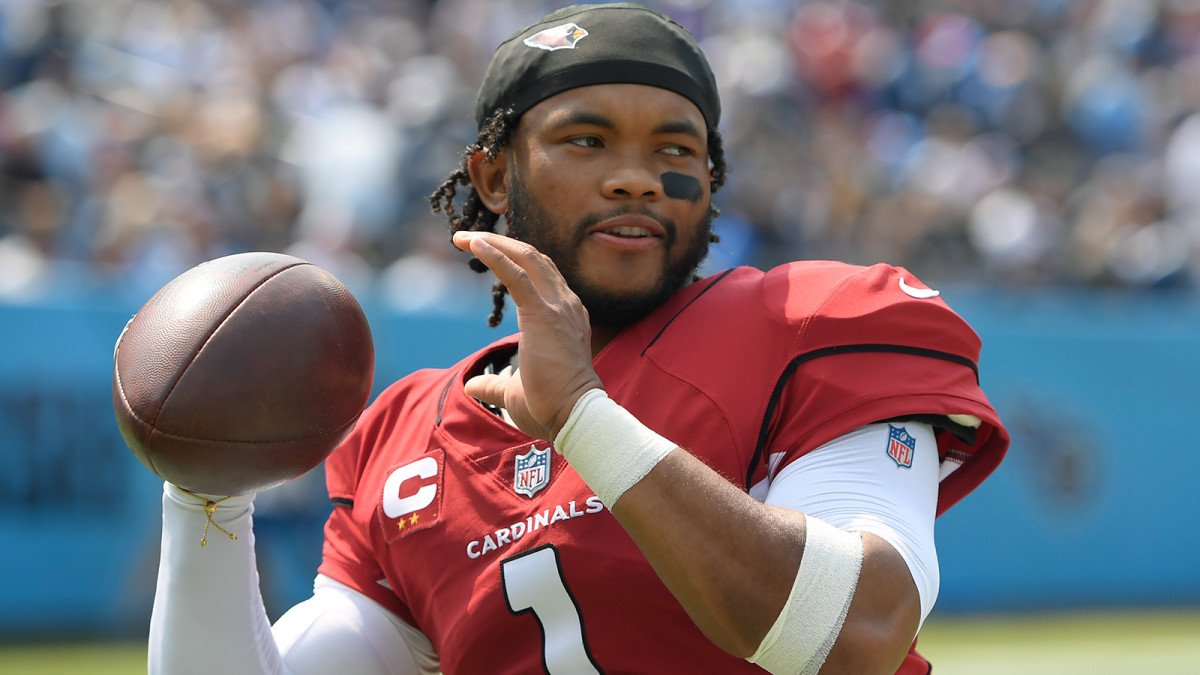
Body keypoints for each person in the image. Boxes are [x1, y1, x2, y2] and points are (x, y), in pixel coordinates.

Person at [147, 4, 1008, 674]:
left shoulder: (809, 322)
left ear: (710, 180)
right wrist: (204, 500)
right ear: (491, 174)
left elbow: (854, 632)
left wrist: (585, 420)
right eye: (585, 140)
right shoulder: (407, 436)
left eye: (675, 147)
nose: (635, 175)